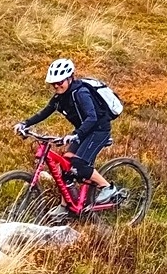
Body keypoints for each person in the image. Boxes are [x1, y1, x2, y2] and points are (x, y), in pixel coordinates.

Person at [13, 58, 117, 211]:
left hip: (98, 130)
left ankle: (108, 188)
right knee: (66, 166)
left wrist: (77, 134)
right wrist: (25, 123)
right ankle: (65, 206)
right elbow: (44, 113)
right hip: (82, 131)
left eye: (60, 82)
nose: (56, 86)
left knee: (78, 166)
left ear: (69, 78)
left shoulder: (81, 93)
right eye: (53, 83)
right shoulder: (59, 98)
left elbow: (92, 117)